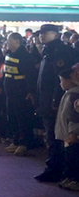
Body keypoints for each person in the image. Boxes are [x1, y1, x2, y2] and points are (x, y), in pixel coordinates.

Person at [34, 24, 79, 183]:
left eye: (46, 33)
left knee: (56, 136)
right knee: (52, 135)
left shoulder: (60, 52)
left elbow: (61, 78)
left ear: (56, 34)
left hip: (56, 100)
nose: (42, 36)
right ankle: (56, 168)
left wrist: (54, 100)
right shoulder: (48, 51)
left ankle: (56, 169)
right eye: (41, 33)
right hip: (46, 99)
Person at [55, 64, 79, 191]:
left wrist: (73, 133)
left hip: (71, 134)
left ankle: (74, 179)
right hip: (67, 133)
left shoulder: (74, 95)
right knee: (68, 157)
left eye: (62, 81)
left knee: (73, 157)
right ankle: (69, 177)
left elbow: (74, 116)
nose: (60, 84)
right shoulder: (69, 94)